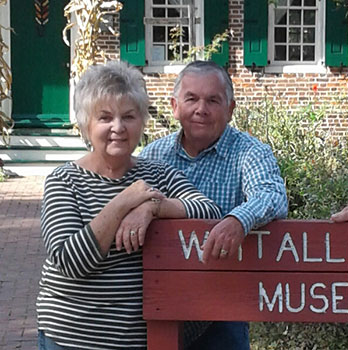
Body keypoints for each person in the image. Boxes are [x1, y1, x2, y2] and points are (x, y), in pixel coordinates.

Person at [36, 61, 222, 350]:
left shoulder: (157, 175)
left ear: (141, 122)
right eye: (105, 117)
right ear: (86, 124)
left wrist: (152, 207)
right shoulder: (63, 181)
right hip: (71, 339)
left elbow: (209, 211)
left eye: (129, 116)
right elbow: (70, 261)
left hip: (139, 341)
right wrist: (124, 200)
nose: (118, 128)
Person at [140, 60, 288, 350]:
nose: (201, 109)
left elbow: (272, 195)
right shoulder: (152, 155)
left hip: (223, 308)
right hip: (162, 304)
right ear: (174, 106)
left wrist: (237, 220)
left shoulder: (250, 152)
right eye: (191, 98)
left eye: (213, 100)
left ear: (230, 109)